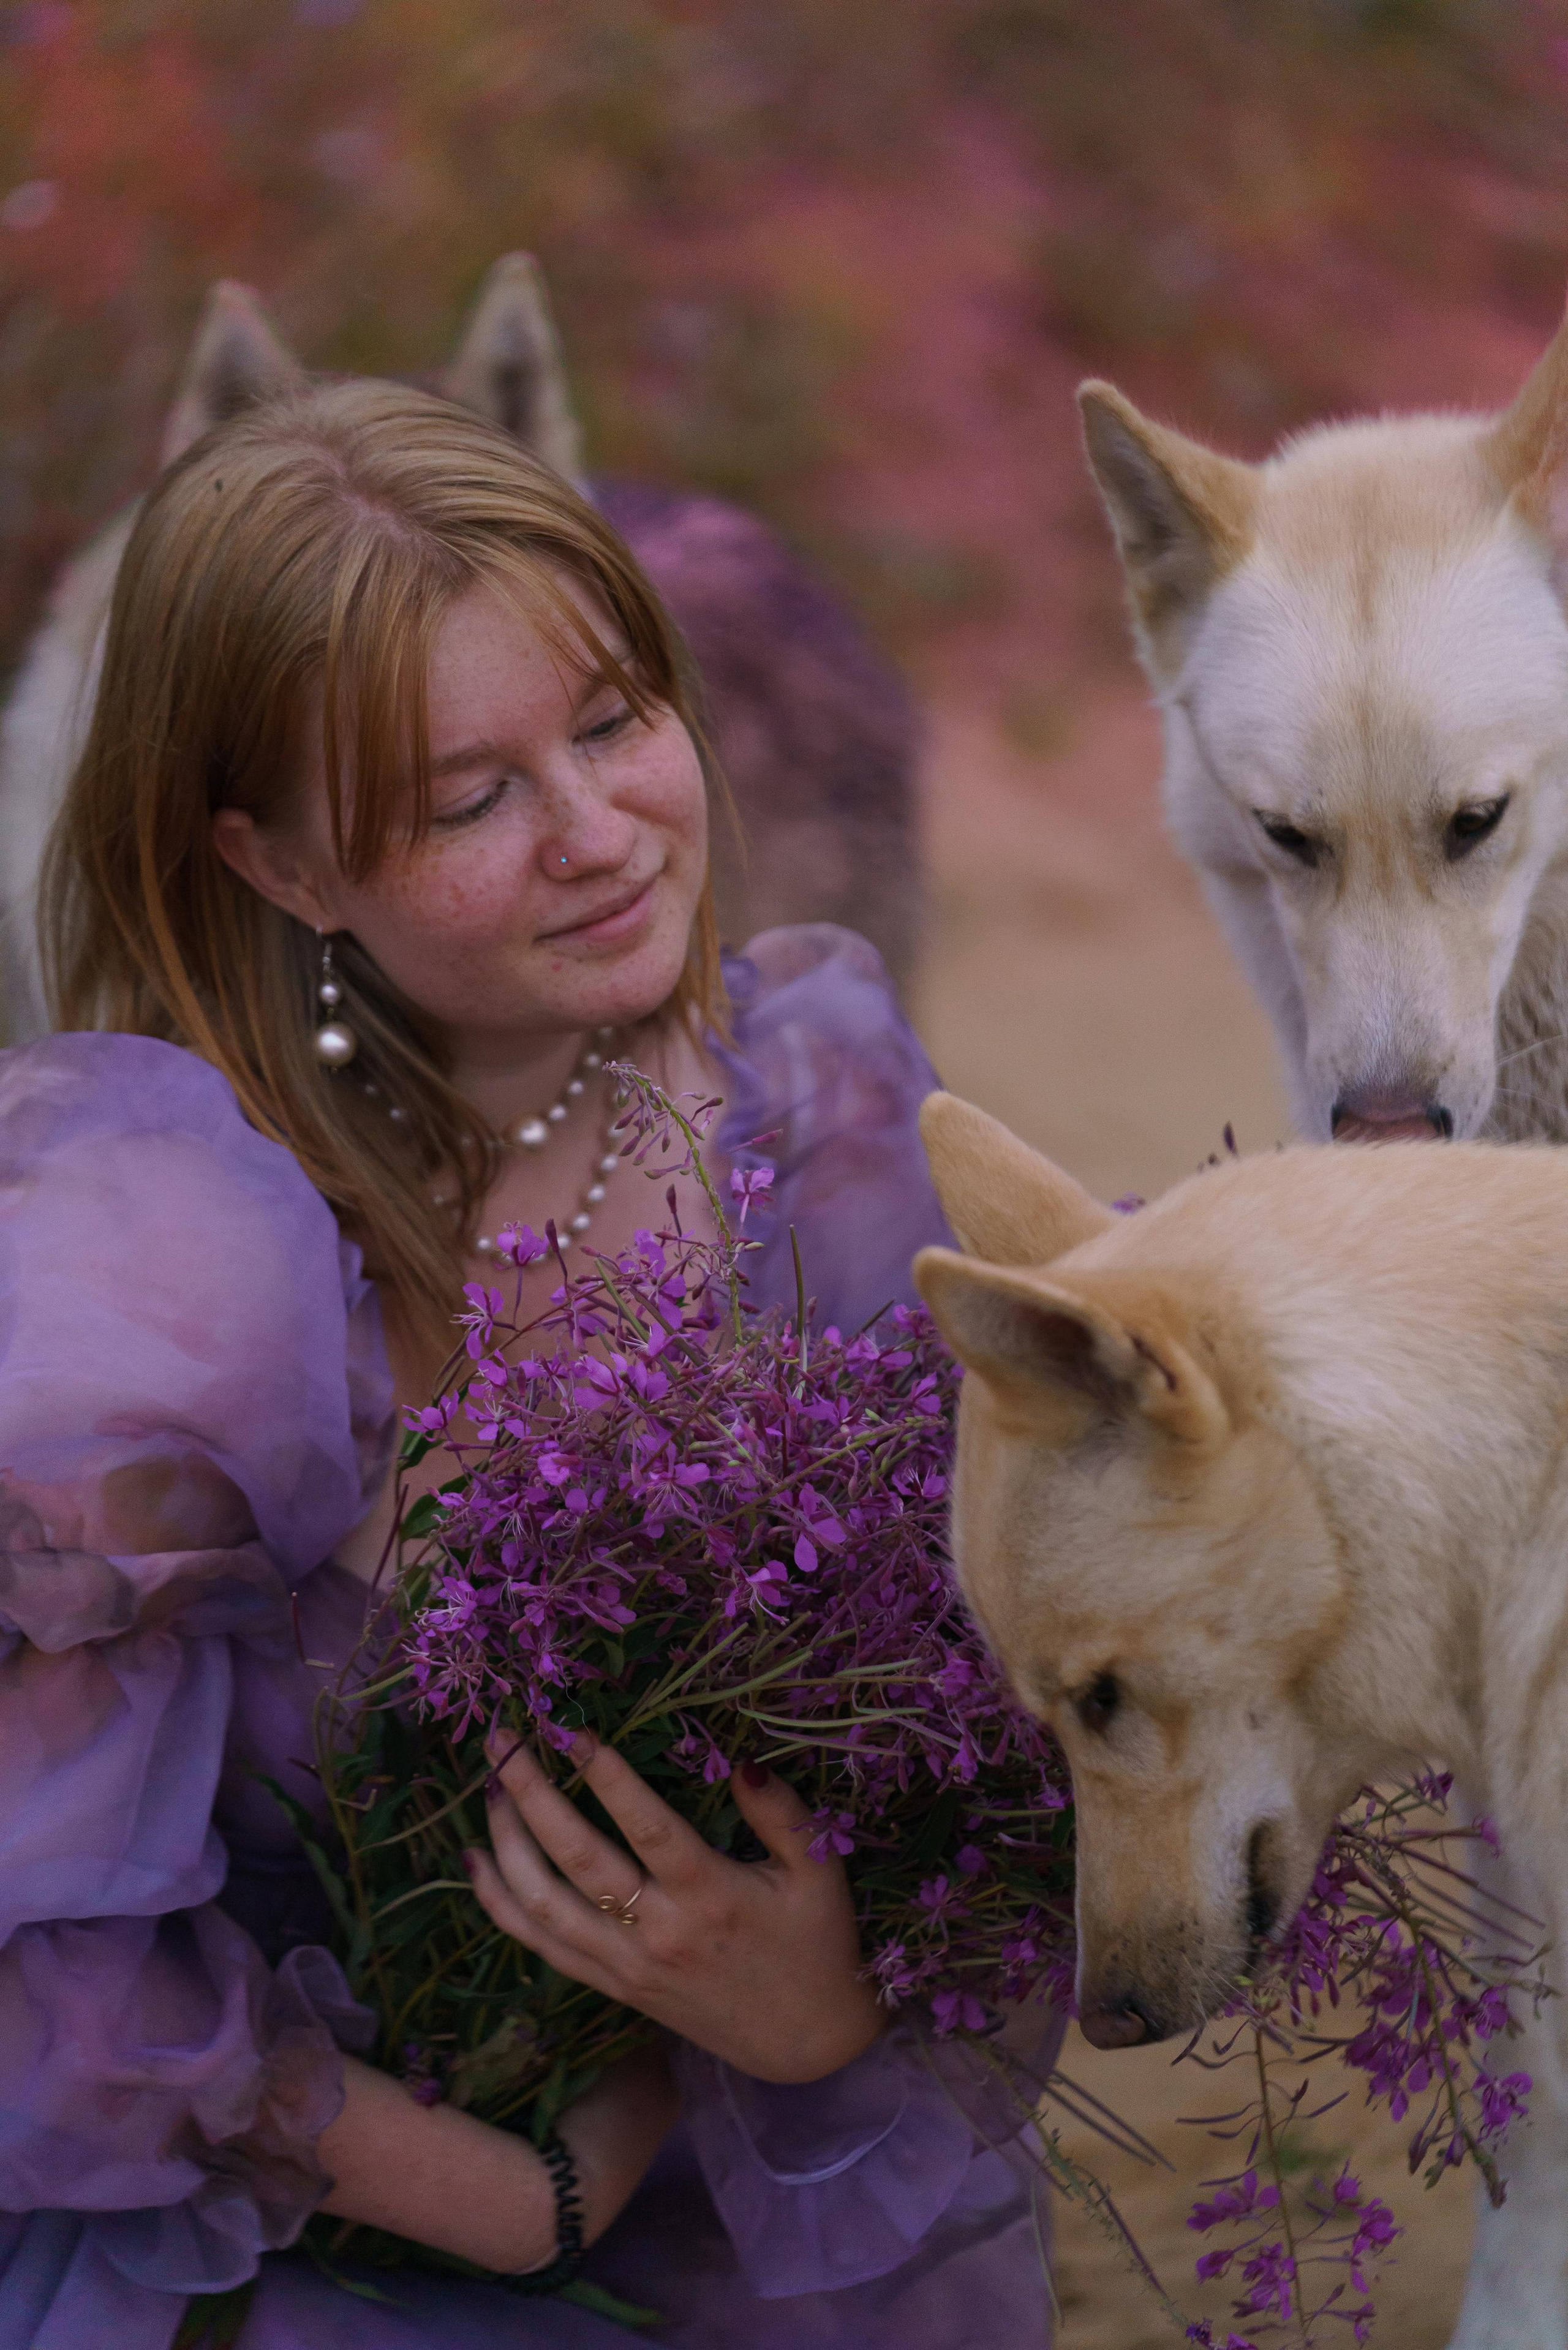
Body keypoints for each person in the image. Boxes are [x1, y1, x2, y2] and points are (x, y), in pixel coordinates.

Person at [0, 380, 1062, 2350]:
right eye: (469, 799)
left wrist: (818, 2016)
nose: (599, 837)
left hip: (799, 2243)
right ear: (283, 865)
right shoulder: (159, 1263)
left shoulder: (819, 1122)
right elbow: (38, 1948)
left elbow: (999, 1750)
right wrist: (493, 2191)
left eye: (614, 722)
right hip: (306, 2261)